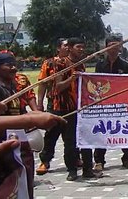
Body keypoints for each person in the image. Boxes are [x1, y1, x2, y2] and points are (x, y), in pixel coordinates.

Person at [36, 37, 98, 181]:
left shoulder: (81, 64)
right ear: (69, 48)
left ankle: (87, 169)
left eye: (83, 47)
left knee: (81, 138)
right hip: (60, 107)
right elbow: (56, 86)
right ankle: (67, 168)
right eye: (78, 47)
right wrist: (71, 79)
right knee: (59, 137)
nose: (81, 50)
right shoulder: (58, 63)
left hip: (79, 107)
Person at [93, 36, 128, 172]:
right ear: (106, 47)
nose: (113, 47)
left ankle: (127, 158)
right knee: (102, 132)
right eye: (111, 45)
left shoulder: (125, 66)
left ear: (120, 47)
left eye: (116, 45)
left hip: (121, 104)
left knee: (124, 131)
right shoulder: (100, 65)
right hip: (104, 106)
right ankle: (99, 161)